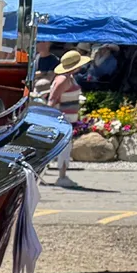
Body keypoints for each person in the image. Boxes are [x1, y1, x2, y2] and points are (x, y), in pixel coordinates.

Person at [45, 49, 89, 183]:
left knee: (63, 147)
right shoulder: (63, 80)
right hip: (62, 119)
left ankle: (61, 175)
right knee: (63, 147)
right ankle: (62, 176)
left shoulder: (68, 78)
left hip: (67, 118)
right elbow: (52, 100)